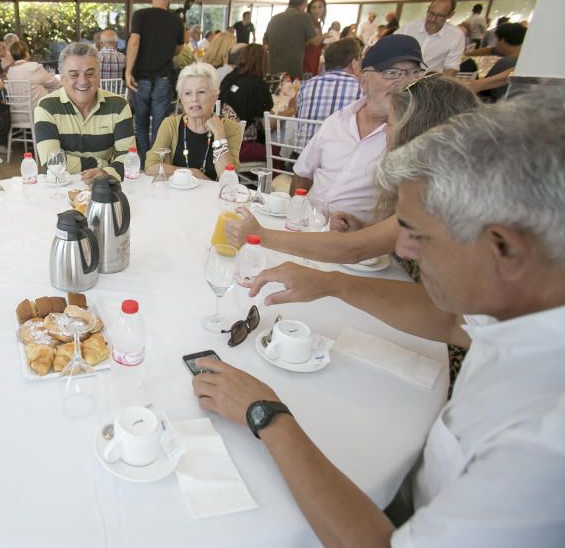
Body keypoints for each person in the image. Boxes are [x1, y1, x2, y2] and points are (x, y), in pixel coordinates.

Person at [196, 100, 565, 547]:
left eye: (417, 233)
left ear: (503, 248)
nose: (403, 250)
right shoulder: (527, 307)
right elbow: (452, 322)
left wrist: (266, 414)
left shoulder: (542, 443)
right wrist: (334, 285)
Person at [224, 75, 479, 266]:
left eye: (390, 124)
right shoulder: (437, 187)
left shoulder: (436, 202)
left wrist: (260, 235)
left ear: (419, 137)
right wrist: (364, 227)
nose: (385, 132)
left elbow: (352, 250)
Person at [291, 34, 424, 223]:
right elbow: (302, 174)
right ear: (363, 81)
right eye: (391, 73)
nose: (404, 82)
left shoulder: (418, 137)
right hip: (310, 228)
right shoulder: (337, 121)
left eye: (413, 73)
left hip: (360, 245)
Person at [34, 42, 134, 184]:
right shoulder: (47, 107)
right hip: (60, 186)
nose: (83, 81)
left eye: (89, 73)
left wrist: (105, 173)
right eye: (74, 75)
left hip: (103, 184)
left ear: (98, 76)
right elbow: (51, 163)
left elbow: (129, 157)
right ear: (62, 79)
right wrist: (103, 166)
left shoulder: (119, 105)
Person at [145, 62, 243, 181]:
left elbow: (227, 177)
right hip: (176, 195)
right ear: (181, 98)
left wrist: (219, 135)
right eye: (187, 93)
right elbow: (150, 167)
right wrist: (192, 173)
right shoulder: (170, 125)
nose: (194, 99)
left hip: (213, 198)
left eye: (201, 92)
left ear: (215, 96)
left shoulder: (230, 128)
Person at [124, 0, 185, 159]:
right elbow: (178, 49)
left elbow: (134, 42)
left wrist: (128, 71)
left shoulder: (140, 15)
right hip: (164, 78)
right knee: (159, 126)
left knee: (140, 124)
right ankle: (156, 163)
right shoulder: (176, 21)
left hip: (140, 78)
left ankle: (143, 162)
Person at [293, 37, 365, 149]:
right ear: (353, 62)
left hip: (300, 158)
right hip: (337, 163)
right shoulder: (360, 88)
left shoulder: (306, 85)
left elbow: (298, 116)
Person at [218, 44, 274, 163]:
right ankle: (261, 179)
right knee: (278, 153)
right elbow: (269, 124)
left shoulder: (229, 77)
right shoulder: (258, 85)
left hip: (218, 140)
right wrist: (289, 111)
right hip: (240, 147)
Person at [396, 0, 464, 75]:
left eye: (439, 16)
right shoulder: (408, 28)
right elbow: (389, 50)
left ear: (450, 15)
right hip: (401, 78)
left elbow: (451, 68)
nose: (432, 19)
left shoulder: (455, 36)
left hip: (429, 83)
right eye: (431, 13)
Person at [264, 0, 320, 79]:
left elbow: (265, 43)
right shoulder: (304, 17)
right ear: (304, 3)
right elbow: (315, 42)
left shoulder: (275, 18)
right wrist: (321, 36)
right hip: (292, 71)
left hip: (272, 69)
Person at [465, 22, 526, 101]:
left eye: (496, 39)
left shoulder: (507, 62)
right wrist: (464, 54)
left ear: (502, 40)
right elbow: (491, 50)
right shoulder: (523, 56)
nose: (496, 43)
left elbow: (484, 90)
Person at [6, 40, 60, 110]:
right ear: (26, 53)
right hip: (38, 115)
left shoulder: (10, 71)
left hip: (17, 117)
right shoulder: (34, 67)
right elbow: (55, 84)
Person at [302, 0, 327, 76]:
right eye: (314, 7)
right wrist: (320, 38)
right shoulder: (308, 22)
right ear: (309, 9)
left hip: (314, 58)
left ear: (324, 9)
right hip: (306, 59)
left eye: (320, 7)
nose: (317, 10)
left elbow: (319, 44)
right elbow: (304, 42)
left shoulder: (318, 24)